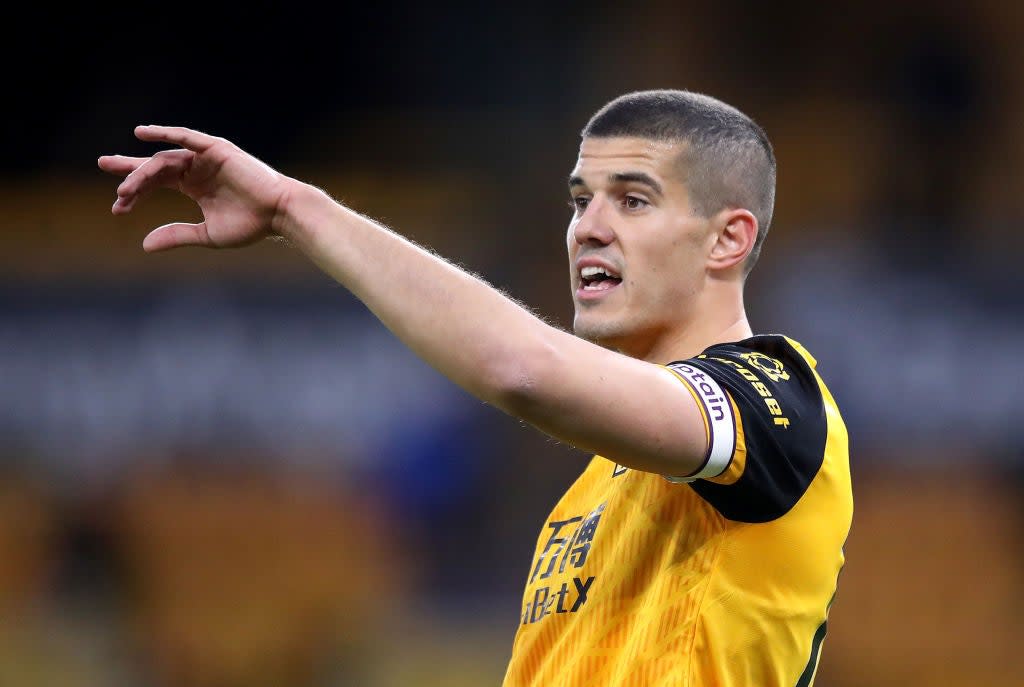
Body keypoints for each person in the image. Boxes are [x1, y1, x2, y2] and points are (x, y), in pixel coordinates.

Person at [99, 89, 852, 687]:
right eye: (579, 199)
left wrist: (300, 210)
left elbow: (522, 369)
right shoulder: (593, 491)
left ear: (729, 238)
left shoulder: (777, 399)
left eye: (632, 199)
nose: (587, 227)